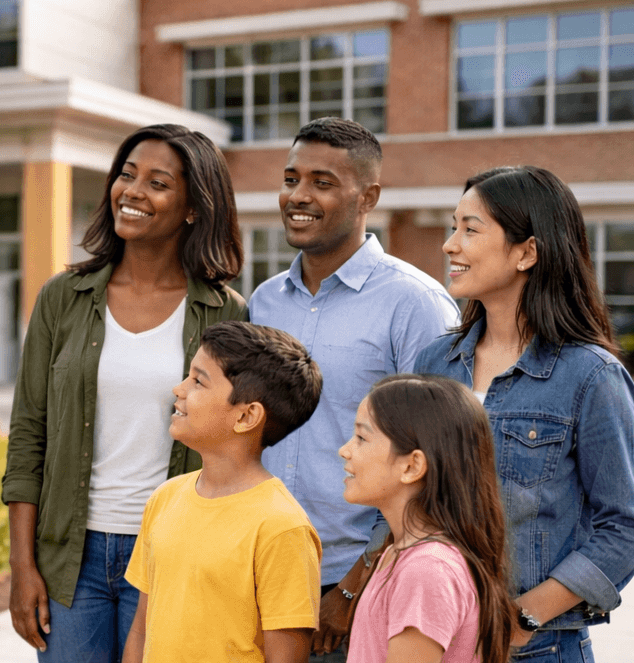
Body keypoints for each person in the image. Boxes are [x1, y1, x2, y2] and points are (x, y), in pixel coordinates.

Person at [2, 124, 246, 661]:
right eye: (127, 175)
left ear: (192, 208)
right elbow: (28, 436)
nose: (132, 191)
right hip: (71, 556)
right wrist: (22, 566)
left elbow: (234, 447)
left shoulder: (225, 312)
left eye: (158, 183)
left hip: (172, 553)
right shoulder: (63, 298)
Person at [247, 117, 459, 659]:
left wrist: (354, 582)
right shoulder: (265, 302)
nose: (298, 196)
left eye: (322, 182)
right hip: (258, 572)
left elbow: (440, 460)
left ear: (369, 196)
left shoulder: (416, 304)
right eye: (292, 178)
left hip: (353, 588)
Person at [414, 166, 634, 661]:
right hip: (430, 641)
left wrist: (523, 618)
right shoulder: (433, 362)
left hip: (536, 650)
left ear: (527, 252)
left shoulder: (590, 376)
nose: (450, 244)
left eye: (470, 229)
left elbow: (624, 525)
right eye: (454, 226)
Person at [123, 320, 323, 663]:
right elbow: (142, 629)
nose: (179, 389)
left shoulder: (282, 528)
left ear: (246, 416)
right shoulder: (164, 499)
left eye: (198, 380)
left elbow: (285, 656)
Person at [339, 375, 515, 663]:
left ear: (412, 465)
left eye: (361, 438)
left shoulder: (425, 570)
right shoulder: (400, 553)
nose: (345, 450)